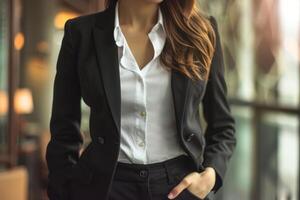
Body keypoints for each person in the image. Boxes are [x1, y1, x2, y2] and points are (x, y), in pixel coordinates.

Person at [45, 0, 237, 199]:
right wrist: (63, 191)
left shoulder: (200, 31)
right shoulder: (80, 33)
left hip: (181, 187)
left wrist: (211, 175)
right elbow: (63, 129)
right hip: (105, 187)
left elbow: (223, 126)